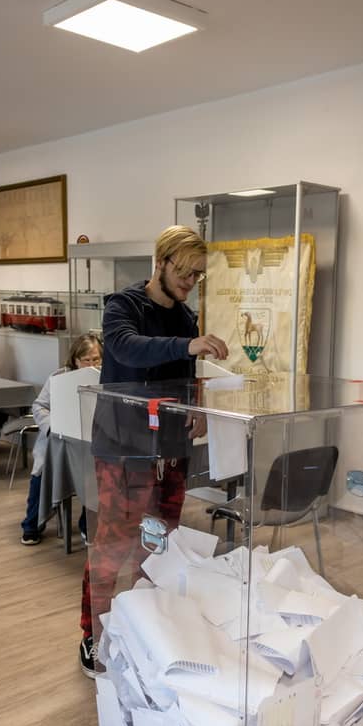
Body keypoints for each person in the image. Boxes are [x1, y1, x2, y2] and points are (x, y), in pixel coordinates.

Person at [78, 225, 228, 676]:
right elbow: (129, 350)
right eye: (185, 273)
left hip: (170, 446)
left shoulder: (185, 317)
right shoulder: (122, 307)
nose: (190, 283)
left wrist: (197, 405)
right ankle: (93, 633)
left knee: (160, 541)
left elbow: (183, 373)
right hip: (124, 447)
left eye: (198, 275)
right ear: (160, 262)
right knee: (112, 542)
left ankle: (145, 628)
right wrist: (188, 344)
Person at [20, 332, 103, 546]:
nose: (92, 365)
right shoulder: (58, 378)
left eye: (96, 359)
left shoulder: (106, 378)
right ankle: (32, 524)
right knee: (41, 473)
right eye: (86, 360)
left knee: (97, 475)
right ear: (75, 360)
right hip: (58, 441)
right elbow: (39, 406)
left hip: (91, 443)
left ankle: (87, 525)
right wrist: (53, 427)